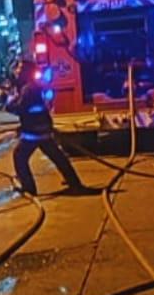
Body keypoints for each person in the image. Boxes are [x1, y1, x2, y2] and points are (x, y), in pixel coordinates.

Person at [5, 57, 98, 197]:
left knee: (19, 156)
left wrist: (7, 102)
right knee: (58, 157)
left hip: (34, 133)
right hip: (41, 130)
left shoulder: (28, 89)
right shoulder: (30, 87)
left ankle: (29, 188)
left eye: (19, 68)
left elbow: (19, 108)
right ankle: (75, 184)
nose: (16, 71)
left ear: (26, 71)